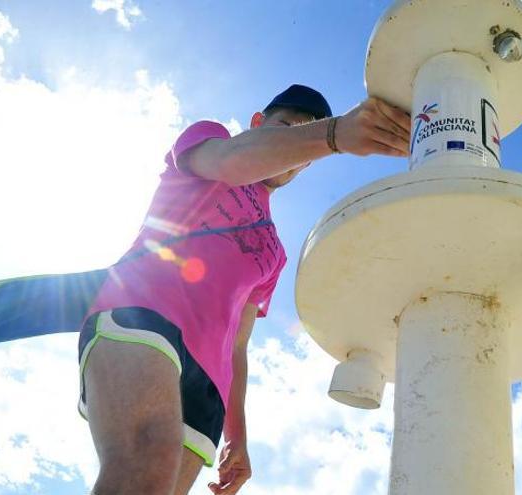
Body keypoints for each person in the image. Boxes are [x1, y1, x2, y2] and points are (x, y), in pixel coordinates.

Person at [76, 84, 411, 495]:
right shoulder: (209, 138)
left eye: (302, 147)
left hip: (208, 388)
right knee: (147, 457)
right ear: (258, 123)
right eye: (285, 128)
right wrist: (334, 134)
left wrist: (238, 434)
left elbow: (238, 344)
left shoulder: (275, 251)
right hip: (143, 314)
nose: (293, 147)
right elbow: (233, 162)